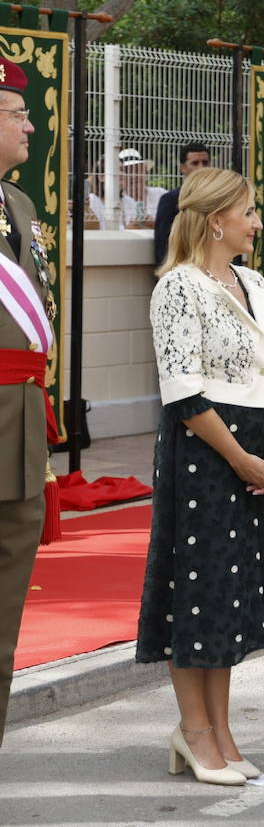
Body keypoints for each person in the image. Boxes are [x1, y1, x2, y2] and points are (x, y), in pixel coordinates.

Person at [137, 167, 264, 786]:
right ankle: (193, 730)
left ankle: (222, 730)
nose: (259, 223)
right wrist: (239, 459)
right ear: (215, 222)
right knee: (197, 593)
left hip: (261, 454)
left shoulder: (254, 282)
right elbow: (182, 391)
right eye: (250, 213)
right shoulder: (177, 287)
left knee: (233, 595)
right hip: (206, 451)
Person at [0, 58, 56, 747]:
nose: (31, 123)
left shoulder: (20, 206)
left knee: (6, 608)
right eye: (17, 114)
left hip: (18, 431)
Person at [153, 142, 212, 267]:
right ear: (183, 168)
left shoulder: (219, 198)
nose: (201, 168)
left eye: (205, 163)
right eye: (195, 163)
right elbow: (163, 246)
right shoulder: (170, 200)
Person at [89, 148, 167, 229]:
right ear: (101, 177)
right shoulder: (92, 200)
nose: (132, 175)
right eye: (127, 171)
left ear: (145, 171)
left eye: (137, 170)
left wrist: (146, 224)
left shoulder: (128, 201)